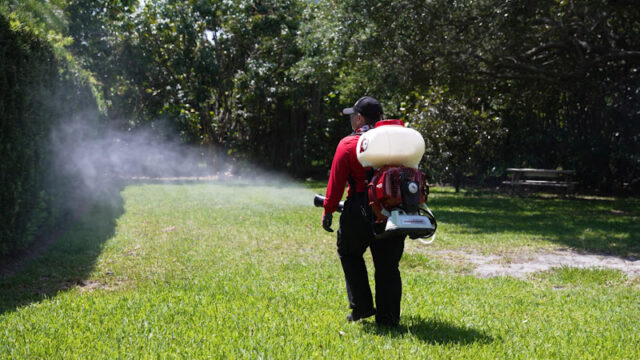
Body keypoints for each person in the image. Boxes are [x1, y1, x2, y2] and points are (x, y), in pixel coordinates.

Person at [321, 96, 406, 327]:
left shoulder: (349, 144)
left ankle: (362, 307)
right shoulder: (396, 141)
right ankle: (388, 319)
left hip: (359, 208)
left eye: (353, 115)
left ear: (359, 118)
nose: (351, 119)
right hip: (392, 209)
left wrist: (328, 210)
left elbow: (336, 183)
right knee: (388, 265)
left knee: (349, 252)